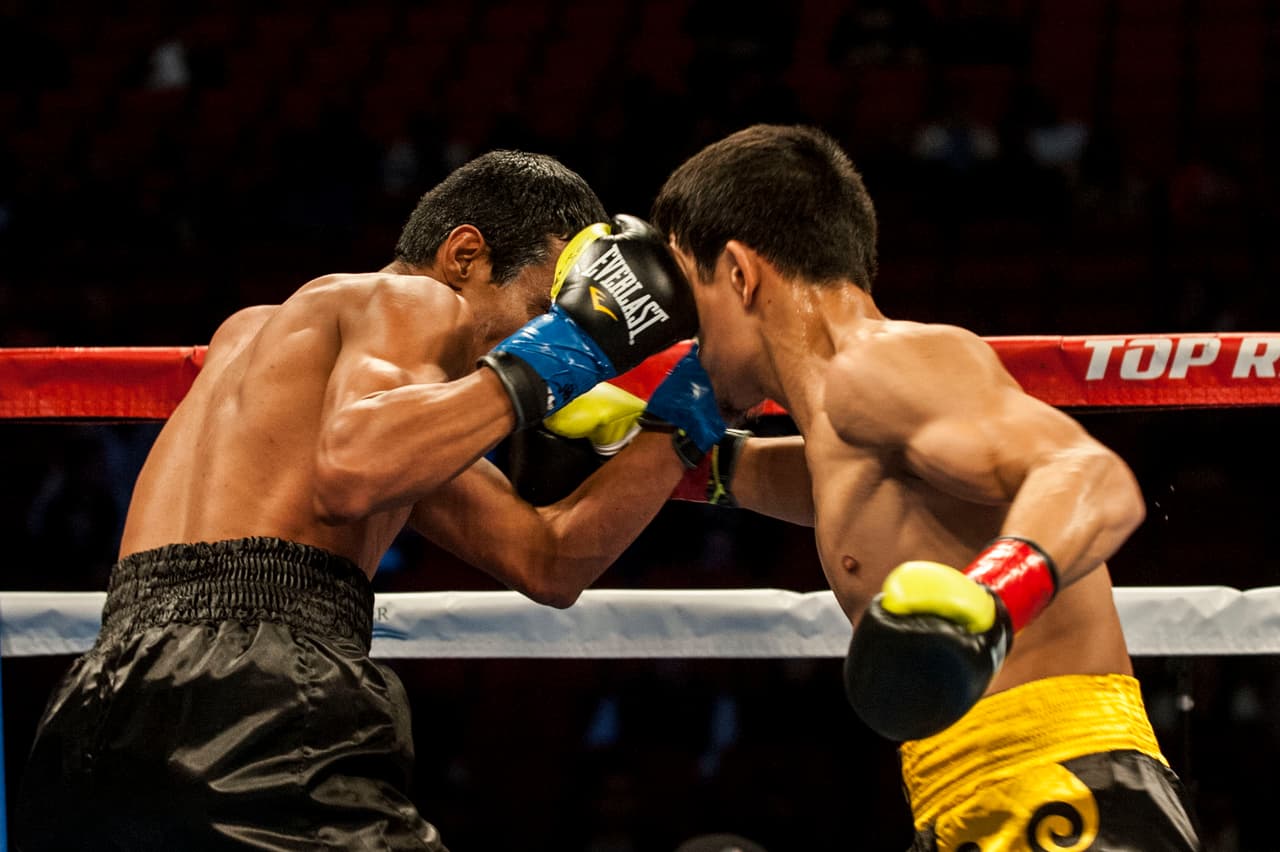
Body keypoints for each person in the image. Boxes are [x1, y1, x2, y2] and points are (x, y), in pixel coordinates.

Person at [14, 150, 728, 851]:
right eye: (543, 308)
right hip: (256, 697)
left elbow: (547, 560)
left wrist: (682, 423)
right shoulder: (409, 301)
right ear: (464, 256)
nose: (537, 336)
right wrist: (574, 343)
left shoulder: (279, 352)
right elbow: (353, 470)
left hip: (95, 704)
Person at [643, 125, 1202, 849]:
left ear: (742, 273)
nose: (688, 337)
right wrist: (656, 458)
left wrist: (992, 597)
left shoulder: (881, 364)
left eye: (693, 293)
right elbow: (824, 486)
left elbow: (1089, 475)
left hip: (1064, 787)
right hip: (967, 799)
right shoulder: (849, 431)